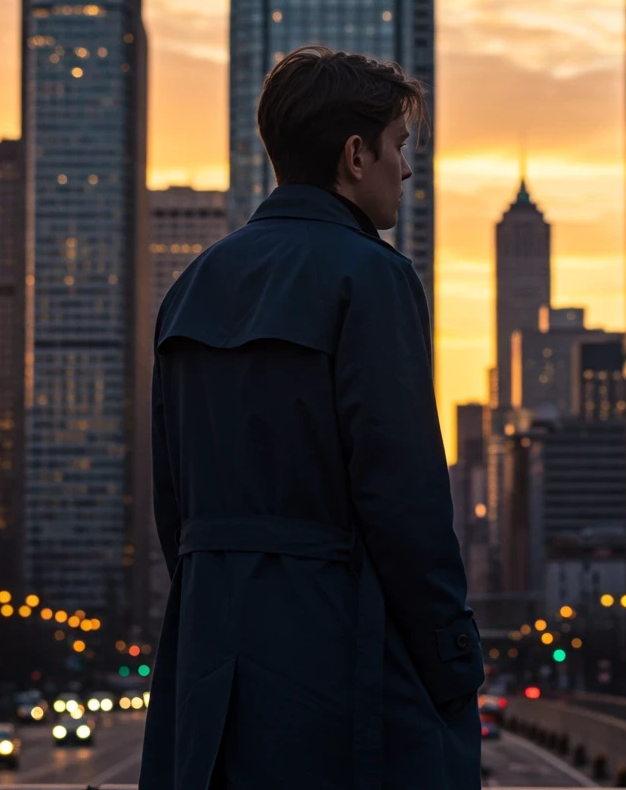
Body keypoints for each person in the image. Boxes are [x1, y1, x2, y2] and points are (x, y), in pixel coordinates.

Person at [139, 45, 484, 790]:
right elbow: (404, 499)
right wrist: (454, 658)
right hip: (338, 653)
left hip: (208, 659)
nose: (407, 169)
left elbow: (172, 504)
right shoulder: (373, 275)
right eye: (399, 146)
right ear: (356, 155)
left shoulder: (192, 287)